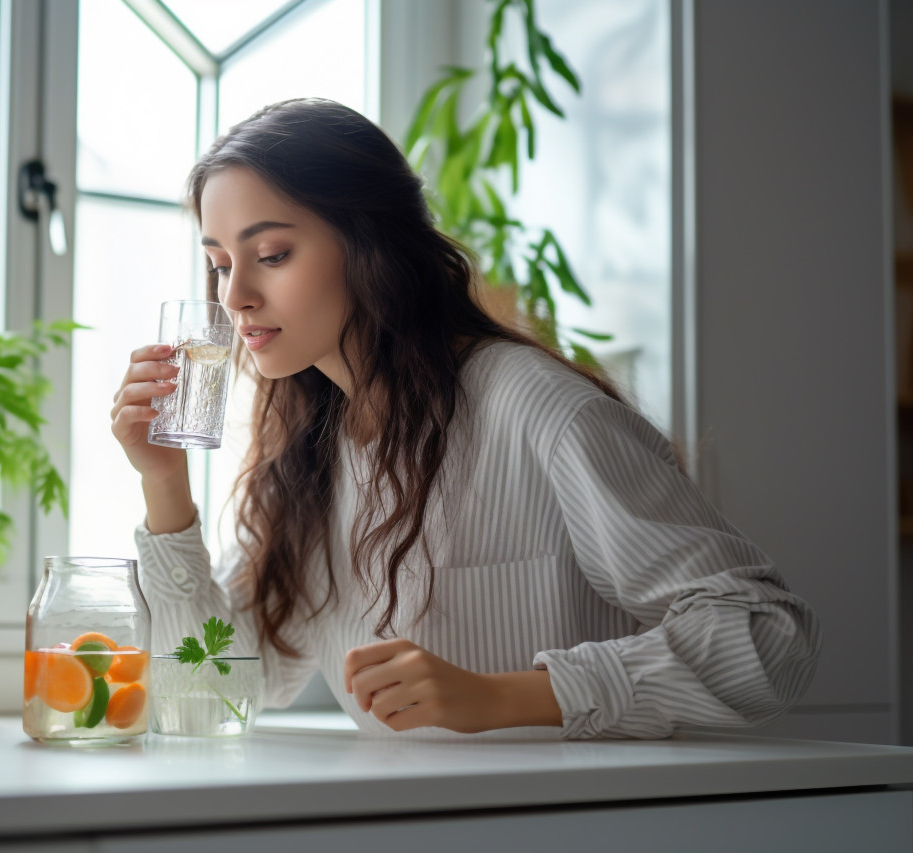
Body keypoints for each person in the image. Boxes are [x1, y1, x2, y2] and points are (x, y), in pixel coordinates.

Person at [110, 98, 821, 739]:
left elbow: (770, 636)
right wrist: (164, 485)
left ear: (372, 244)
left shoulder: (536, 407)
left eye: (271, 254)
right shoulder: (305, 454)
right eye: (218, 263)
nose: (235, 295)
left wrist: (504, 696)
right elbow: (213, 686)